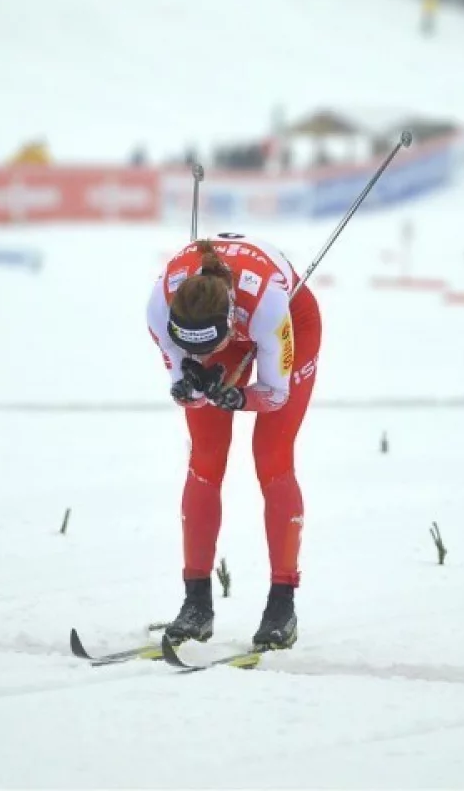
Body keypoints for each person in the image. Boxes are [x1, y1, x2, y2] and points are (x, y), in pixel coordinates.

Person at [146, 233, 322, 650]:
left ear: (228, 320)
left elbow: (275, 395)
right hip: (217, 326)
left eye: (210, 346)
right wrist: (194, 380)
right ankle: (196, 605)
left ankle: (282, 607)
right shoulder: (159, 309)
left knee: (272, 459)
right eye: (195, 349)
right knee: (205, 460)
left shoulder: (267, 308)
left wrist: (239, 397)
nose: (205, 355)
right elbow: (182, 387)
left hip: (291, 323)